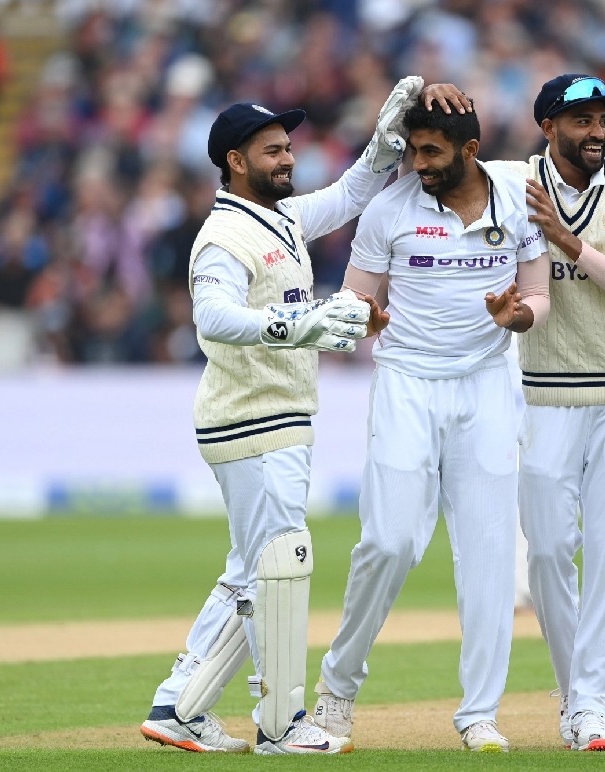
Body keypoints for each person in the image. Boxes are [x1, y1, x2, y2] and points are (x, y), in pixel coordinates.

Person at [139, 76, 426, 755]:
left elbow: (352, 193)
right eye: (272, 150)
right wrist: (299, 322)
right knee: (282, 559)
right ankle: (282, 724)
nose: (286, 159)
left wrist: (386, 146)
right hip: (250, 419)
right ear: (236, 161)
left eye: (287, 147)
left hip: (274, 417)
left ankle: (180, 706)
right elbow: (212, 317)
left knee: (253, 570)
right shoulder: (222, 237)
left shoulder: (284, 218)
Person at [309, 94, 551, 753]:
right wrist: (361, 320)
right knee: (387, 543)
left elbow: (538, 297)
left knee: (490, 556)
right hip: (407, 383)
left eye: (430, 152)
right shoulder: (389, 209)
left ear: (470, 151)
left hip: (487, 385)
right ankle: (336, 693)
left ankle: (480, 713)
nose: (416, 163)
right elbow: (355, 302)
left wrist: (517, 318)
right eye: (412, 150)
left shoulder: (517, 195)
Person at [487, 74, 605, 752]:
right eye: (581, 120)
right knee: (552, 552)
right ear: (548, 126)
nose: (596, 132)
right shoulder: (511, 184)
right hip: (544, 393)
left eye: (601, 120)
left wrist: (567, 242)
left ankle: (589, 708)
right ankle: (575, 696)